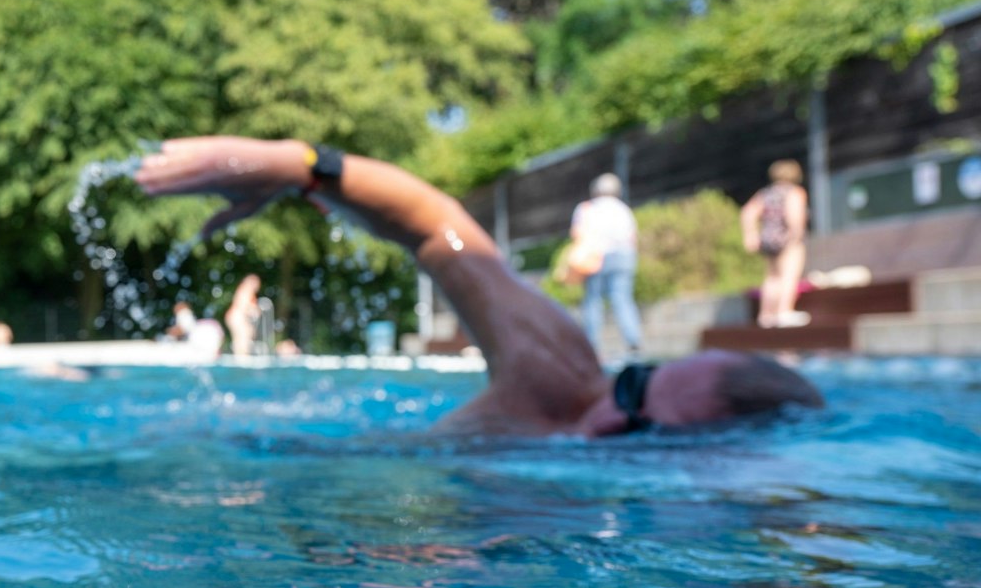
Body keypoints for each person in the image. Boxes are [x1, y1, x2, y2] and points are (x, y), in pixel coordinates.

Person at [137, 137, 822, 436]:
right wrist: (301, 164)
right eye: (632, 383)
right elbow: (440, 228)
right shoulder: (559, 369)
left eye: (638, 430)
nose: (612, 413)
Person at [569, 174, 643, 358]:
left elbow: (577, 233)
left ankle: (592, 345)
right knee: (622, 298)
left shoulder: (587, 209)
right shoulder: (623, 210)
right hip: (624, 256)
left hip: (597, 257)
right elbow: (632, 238)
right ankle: (633, 341)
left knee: (593, 299)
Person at [742, 160, 811, 328]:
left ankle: (766, 315)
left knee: (772, 277)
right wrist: (796, 236)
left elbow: (747, 212)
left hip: (767, 239)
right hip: (786, 238)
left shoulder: (765, 194)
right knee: (789, 275)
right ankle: (783, 311)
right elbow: (794, 216)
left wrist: (750, 235)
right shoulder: (794, 192)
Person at [226, 274, 263, 356]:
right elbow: (242, 305)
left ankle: (241, 356)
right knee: (243, 337)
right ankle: (242, 358)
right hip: (237, 316)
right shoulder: (246, 289)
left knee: (244, 336)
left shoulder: (244, 289)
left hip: (237, 316)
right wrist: (254, 310)